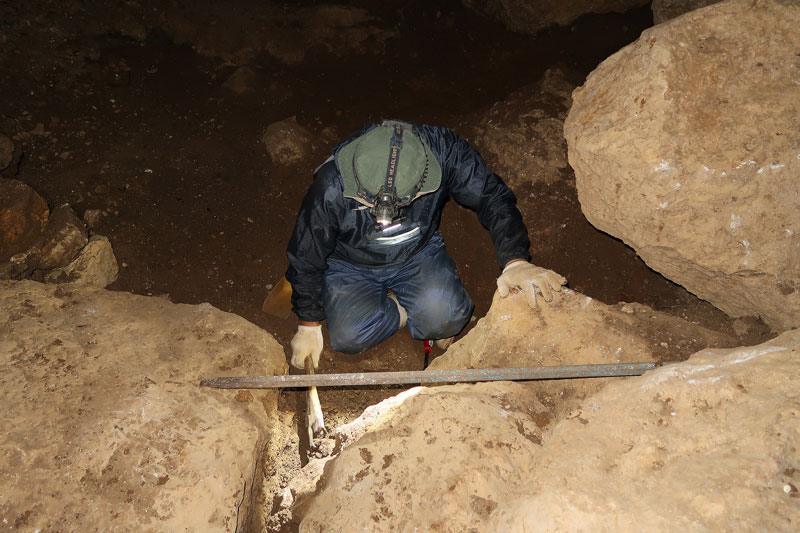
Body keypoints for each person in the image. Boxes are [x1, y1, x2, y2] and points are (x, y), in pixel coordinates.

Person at [286, 119, 566, 370]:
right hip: (351, 263)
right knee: (348, 337)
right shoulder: (333, 182)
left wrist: (515, 261)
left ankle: (411, 306)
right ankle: (401, 309)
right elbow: (306, 253)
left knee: (447, 319)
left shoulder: (445, 151)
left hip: (417, 253)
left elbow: (491, 196)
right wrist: (308, 322)